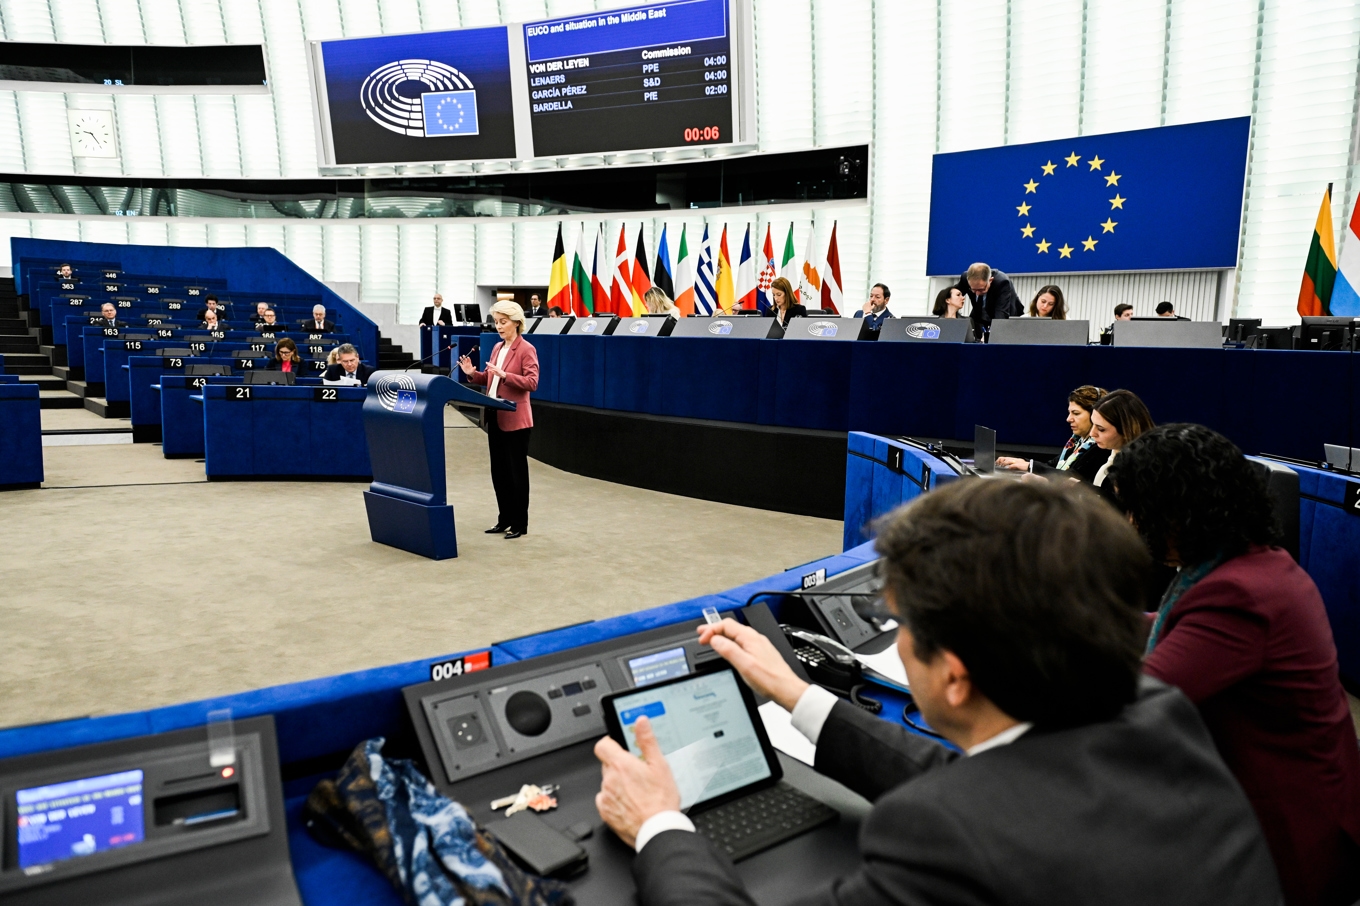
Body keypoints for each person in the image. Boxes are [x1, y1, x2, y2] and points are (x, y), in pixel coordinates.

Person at [593, 479, 1283, 906]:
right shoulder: (1157, 716)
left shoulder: (946, 840)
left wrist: (659, 822)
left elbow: (973, 810)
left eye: (902, 627)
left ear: (954, 674)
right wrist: (794, 691)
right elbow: (986, 782)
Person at [1109, 425, 1360, 906]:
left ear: (1180, 510)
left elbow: (1134, 703)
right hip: (1278, 810)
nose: (1133, 522)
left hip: (1285, 843)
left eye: (1140, 508)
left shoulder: (1238, 596)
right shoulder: (1253, 563)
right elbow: (1172, 625)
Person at [458, 301, 539, 540]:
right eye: (496, 322)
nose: (499, 327)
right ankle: (503, 520)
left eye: (503, 322)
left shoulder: (526, 349)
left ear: (516, 322)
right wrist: (473, 373)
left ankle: (519, 524)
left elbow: (532, 383)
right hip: (494, 414)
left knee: (516, 473)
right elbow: (490, 380)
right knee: (499, 472)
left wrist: (507, 375)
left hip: (515, 419)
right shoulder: (496, 348)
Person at [996, 384, 1110, 482]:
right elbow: (1052, 466)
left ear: (1095, 415)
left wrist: (1030, 466)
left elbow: (1072, 477)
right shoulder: (1076, 442)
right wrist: (1022, 462)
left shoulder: (1100, 446)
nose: (1068, 419)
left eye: (1076, 413)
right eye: (1069, 413)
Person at [1088, 389, 1154, 490]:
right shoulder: (1108, 455)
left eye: (1101, 429)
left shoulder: (1142, 474)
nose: (1092, 433)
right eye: (1092, 424)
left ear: (1127, 430)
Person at [955, 262, 1022, 339]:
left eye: (981, 290)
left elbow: (1001, 316)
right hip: (980, 314)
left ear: (990, 280)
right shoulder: (965, 278)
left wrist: (993, 339)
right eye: (973, 290)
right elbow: (951, 294)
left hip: (1008, 318)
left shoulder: (1002, 282)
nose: (977, 294)